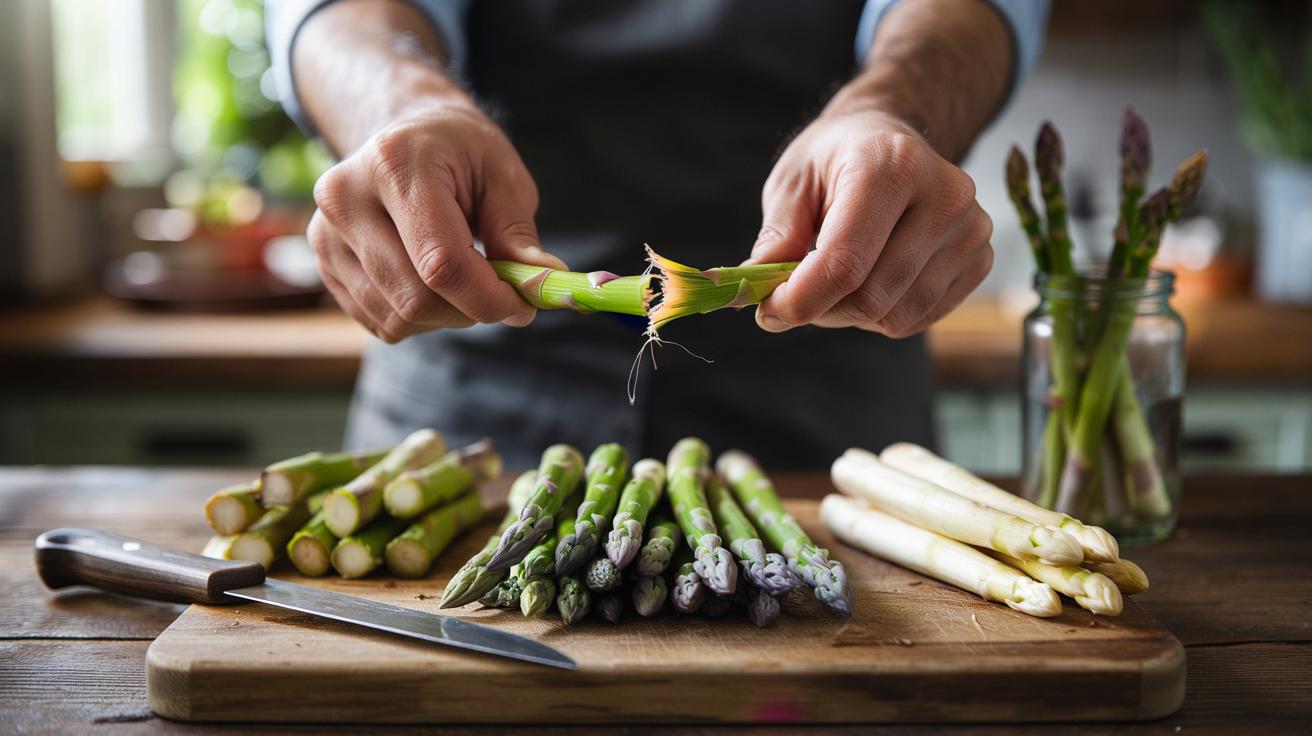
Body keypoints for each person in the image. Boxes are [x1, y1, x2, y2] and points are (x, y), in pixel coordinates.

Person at [267, 0, 1048, 468]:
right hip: (468, 392)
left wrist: (894, 110)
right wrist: (398, 106)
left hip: (832, 382)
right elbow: (344, 16)